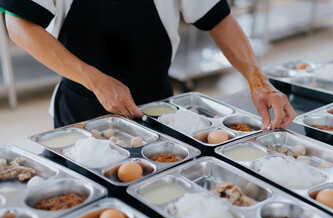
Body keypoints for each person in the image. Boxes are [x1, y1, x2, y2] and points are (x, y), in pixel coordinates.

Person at [1, 0, 296, 129]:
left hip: (158, 107)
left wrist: (259, 80)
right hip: (81, 110)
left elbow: (218, 19)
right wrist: (95, 79)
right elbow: (20, 25)